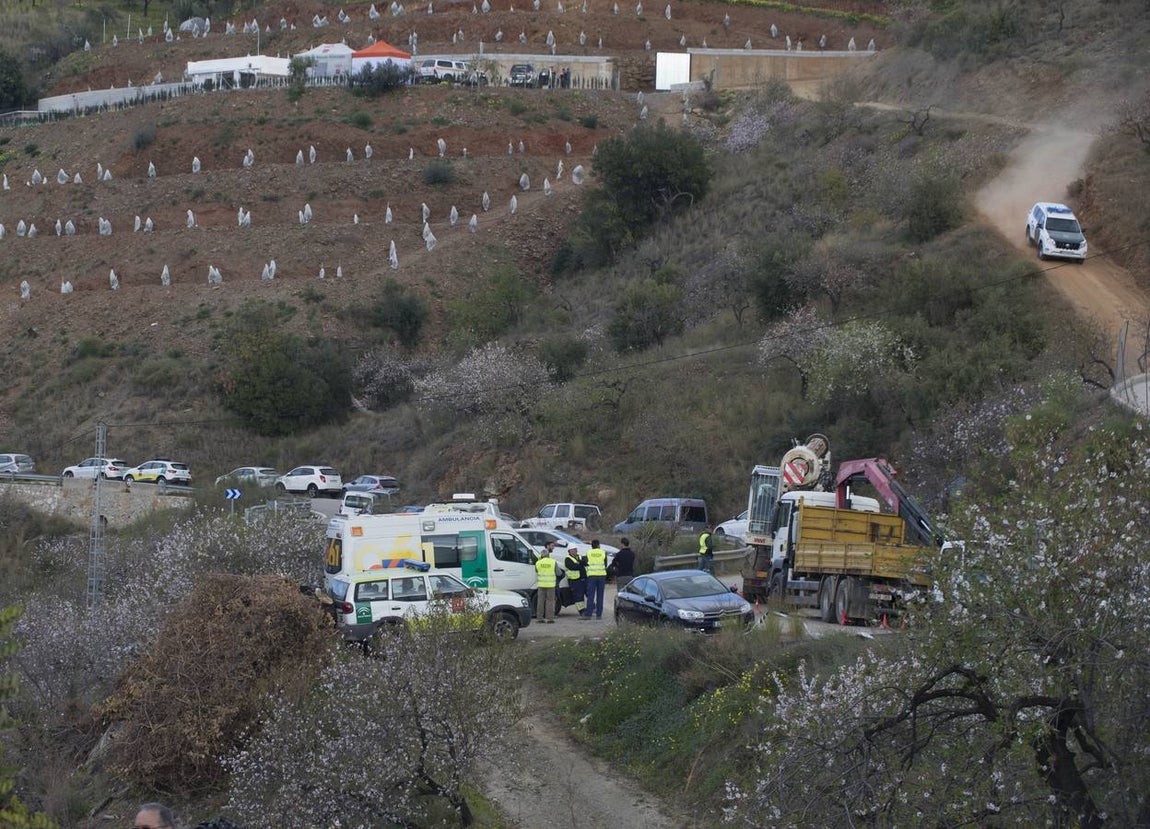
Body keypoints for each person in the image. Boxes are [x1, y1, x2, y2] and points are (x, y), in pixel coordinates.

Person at [583, 539, 608, 619]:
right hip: (601, 575)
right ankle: (599, 615)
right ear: (598, 545)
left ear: (592, 546)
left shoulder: (588, 553)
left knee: (590, 596)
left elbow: (586, 563)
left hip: (592, 576)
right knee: (600, 595)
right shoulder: (603, 552)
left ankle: (588, 614)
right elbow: (605, 564)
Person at [534, 542, 559, 623]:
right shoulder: (553, 562)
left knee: (540, 601)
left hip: (541, 585)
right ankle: (550, 618)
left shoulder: (538, 563)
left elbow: (536, 571)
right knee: (550, 602)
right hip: (551, 585)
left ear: (541, 555)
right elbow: (559, 573)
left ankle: (539, 618)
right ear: (548, 555)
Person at [564, 543, 588, 617]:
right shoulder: (567, 559)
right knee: (578, 596)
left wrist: (579, 563)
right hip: (575, 580)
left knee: (589, 594)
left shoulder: (580, 556)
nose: (576, 551)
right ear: (570, 551)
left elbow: (586, 563)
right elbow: (573, 567)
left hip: (584, 579)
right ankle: (582, 611)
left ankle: (591, 608)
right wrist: (580, 564)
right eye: (574, 549)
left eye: (576, 549)